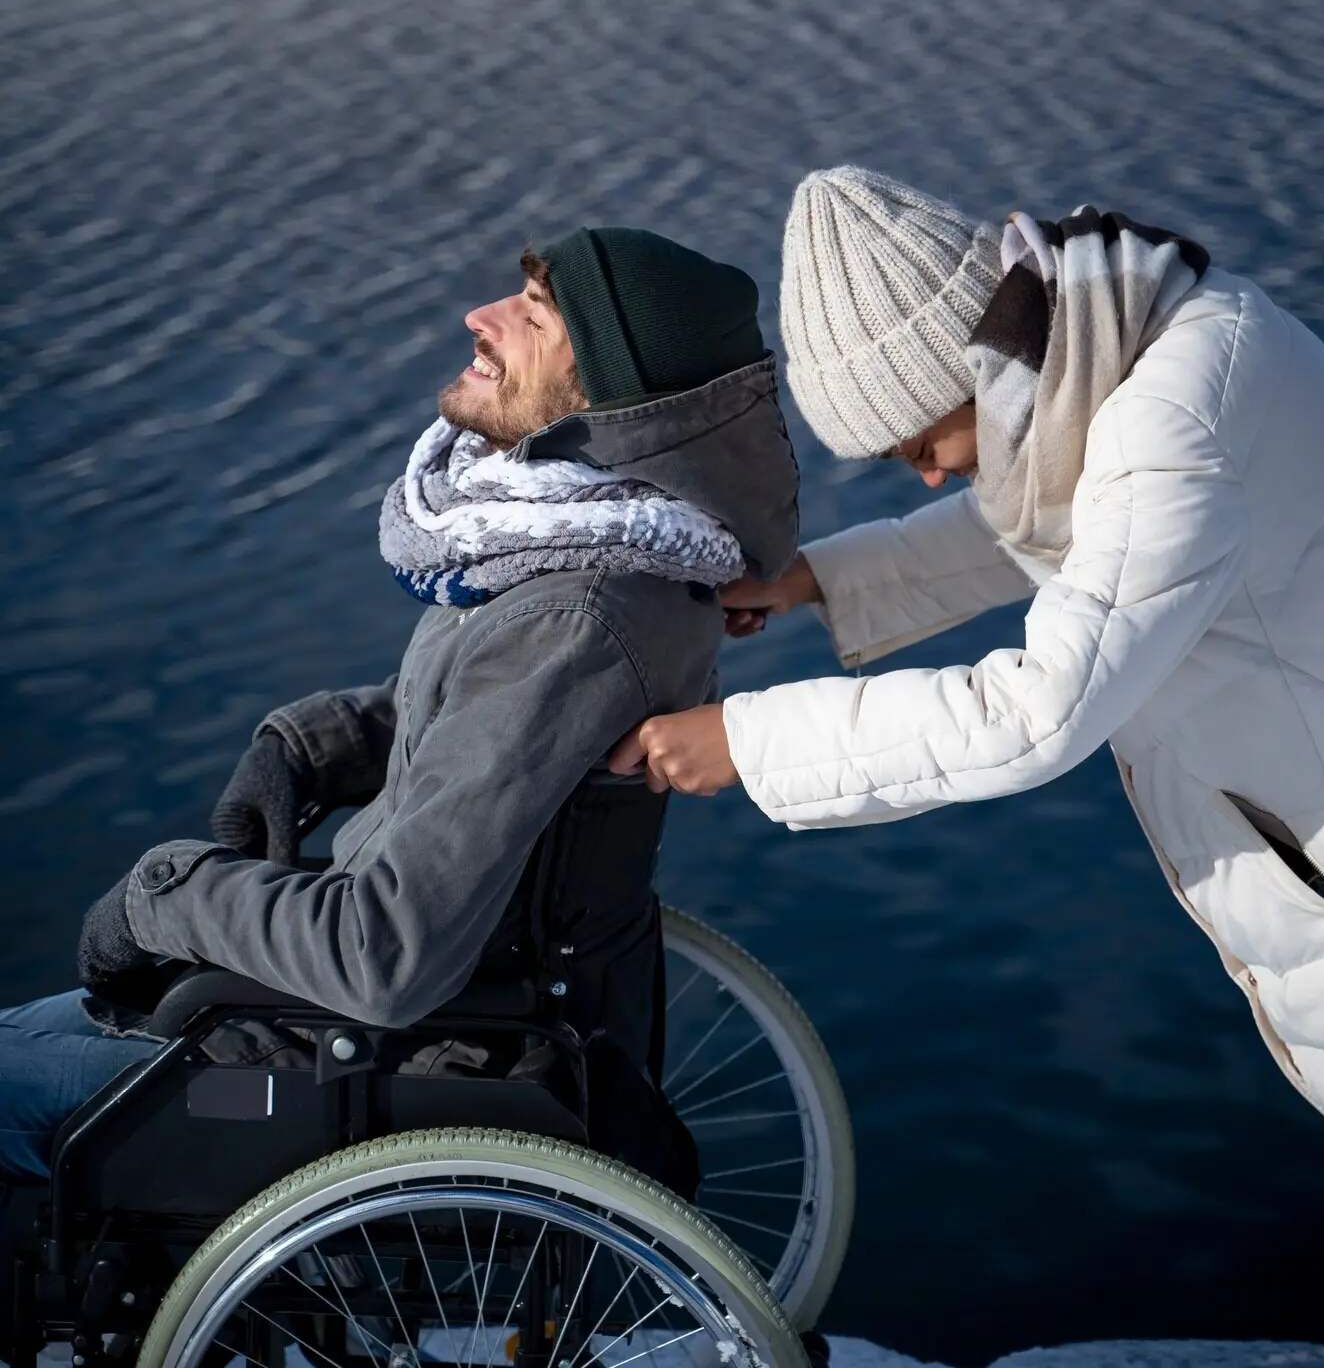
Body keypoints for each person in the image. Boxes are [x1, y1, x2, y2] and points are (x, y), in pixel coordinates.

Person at [0, 228, 798, 1182]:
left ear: (613, 403)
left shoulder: (577, 612)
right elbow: (495, 726)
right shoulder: (593, 549)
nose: (481, 317)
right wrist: (309, 746)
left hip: (385, 1057)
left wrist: (161, 894)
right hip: (390, 1013)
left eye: (533, 315)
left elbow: (386, 957)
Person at [612, 166, 1324, 1124]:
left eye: (917, 449)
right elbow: (1078, 518)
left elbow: (1038, 715)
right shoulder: (1128, 330)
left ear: (968, 371)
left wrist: (747, 743)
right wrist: (819, 579)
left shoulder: (1171, 424)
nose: (923, 482)